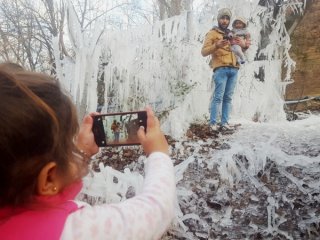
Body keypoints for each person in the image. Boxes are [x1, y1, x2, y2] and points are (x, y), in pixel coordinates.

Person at [0, 65, 176, 239]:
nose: (72, 148)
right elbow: (156, 210)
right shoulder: (74, 231)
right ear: (48, 177)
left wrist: (81, 152)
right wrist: (158, 154)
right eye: (68, 145)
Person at [201, 8, 250, 131]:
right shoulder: (212, 33)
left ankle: (224, 123)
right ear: (218, 19)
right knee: (218, 97)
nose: (225, 20)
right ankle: (213, 124)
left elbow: (240, 49)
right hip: (221, 68)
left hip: (234, 69)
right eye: (222, 18)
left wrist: (243, 45)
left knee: (228, 98)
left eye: (227, 18)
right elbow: (204, 52)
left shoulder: (232, 33)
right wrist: (216, 45)